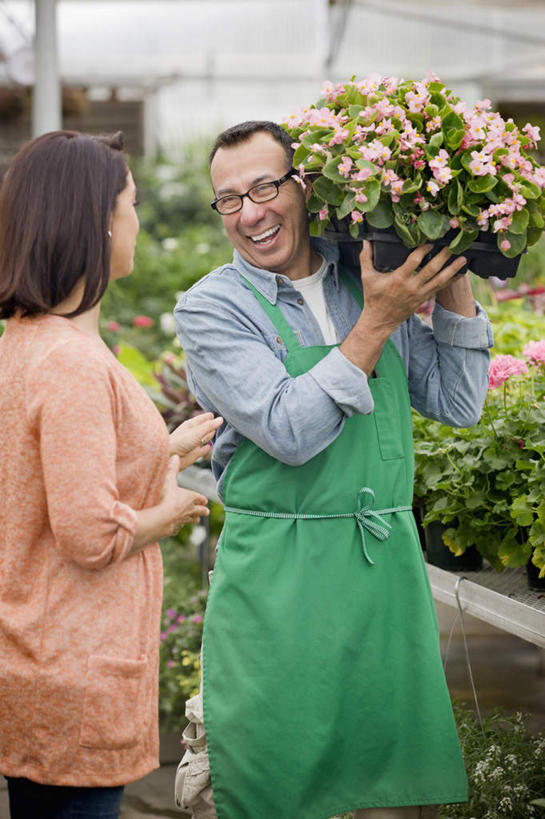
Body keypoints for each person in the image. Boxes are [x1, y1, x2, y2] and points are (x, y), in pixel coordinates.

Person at [173, 120, 493, 819]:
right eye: (228, 199)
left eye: (264, 187)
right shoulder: (213, 307)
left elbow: (460, 403)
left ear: (304, 187)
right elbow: (290, 430)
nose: (250, 212)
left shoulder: (367, 275)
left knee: (383, 789)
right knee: (271, 781)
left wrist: (451, 268)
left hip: (381, 576)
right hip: (278, 581)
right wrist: (378, 320)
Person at [0, 130, 222, 819]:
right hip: (73, 673)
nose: (137, 219)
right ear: (95, 221)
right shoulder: (72, 363)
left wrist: (167, 449)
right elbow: (91, 534)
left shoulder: (30, 340)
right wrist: (178, 509)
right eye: (130, 202)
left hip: (39, 661)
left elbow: (61, 477)